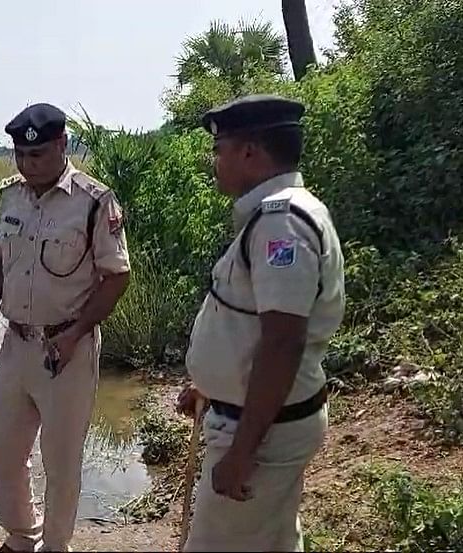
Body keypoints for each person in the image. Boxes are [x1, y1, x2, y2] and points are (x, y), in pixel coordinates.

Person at [175, 94, 346, 552]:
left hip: (262, 433)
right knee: (270, 541)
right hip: (259, 416)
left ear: (248, 152)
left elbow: (282, 344)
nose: (215, 161)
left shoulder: (281, 224)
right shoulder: (280, 213)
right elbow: (251, 327)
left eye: (219, 149)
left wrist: (242, 453)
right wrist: (213, 383)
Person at [0, 102, 132, 552]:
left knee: (61, 461)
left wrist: (77, 332)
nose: (28, 165)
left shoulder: (94, 201)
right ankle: (23, 537)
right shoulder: (11, 196)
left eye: (38, 155)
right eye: (21, 157)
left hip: (67, 347)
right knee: (3, 450)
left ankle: (55, 545)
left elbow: (117, 275)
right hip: (16, 343)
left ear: (62, 145)